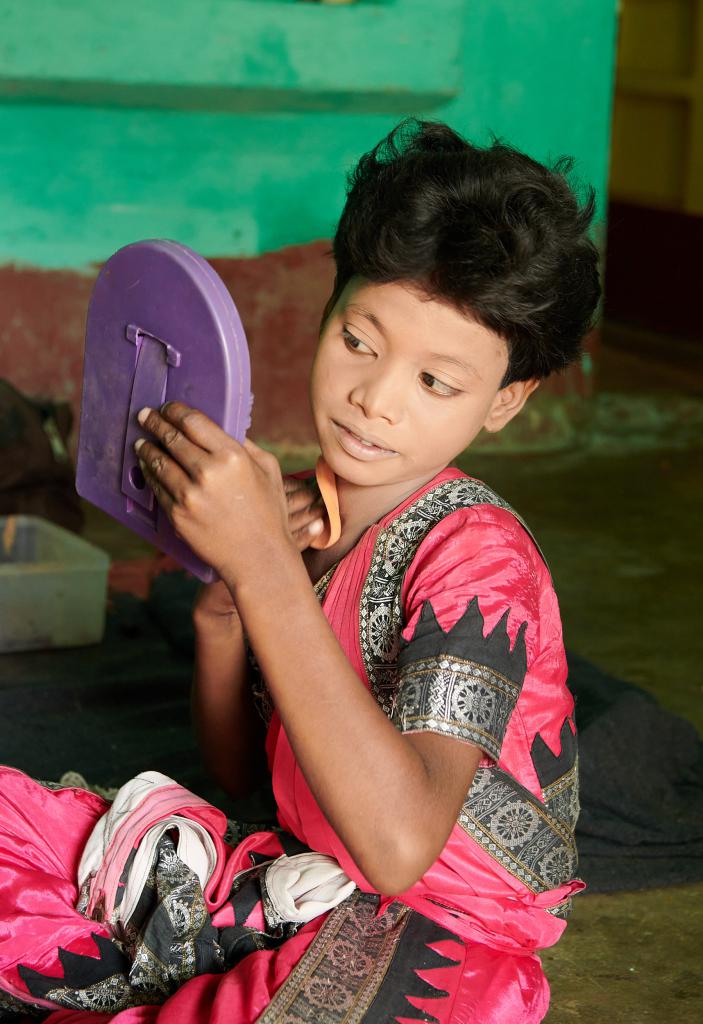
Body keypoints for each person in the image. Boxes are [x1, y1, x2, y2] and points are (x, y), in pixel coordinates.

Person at [0, 119, 600, 1024]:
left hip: (441, 928)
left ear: (504, 401)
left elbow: (397, 851)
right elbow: (244, 777)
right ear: (327, 312)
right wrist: (224, 610)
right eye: (359, 340)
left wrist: (264, 570)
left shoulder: (478, 556)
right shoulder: (298, 509)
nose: (374, 397)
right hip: (288, 874)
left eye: (436, 382)